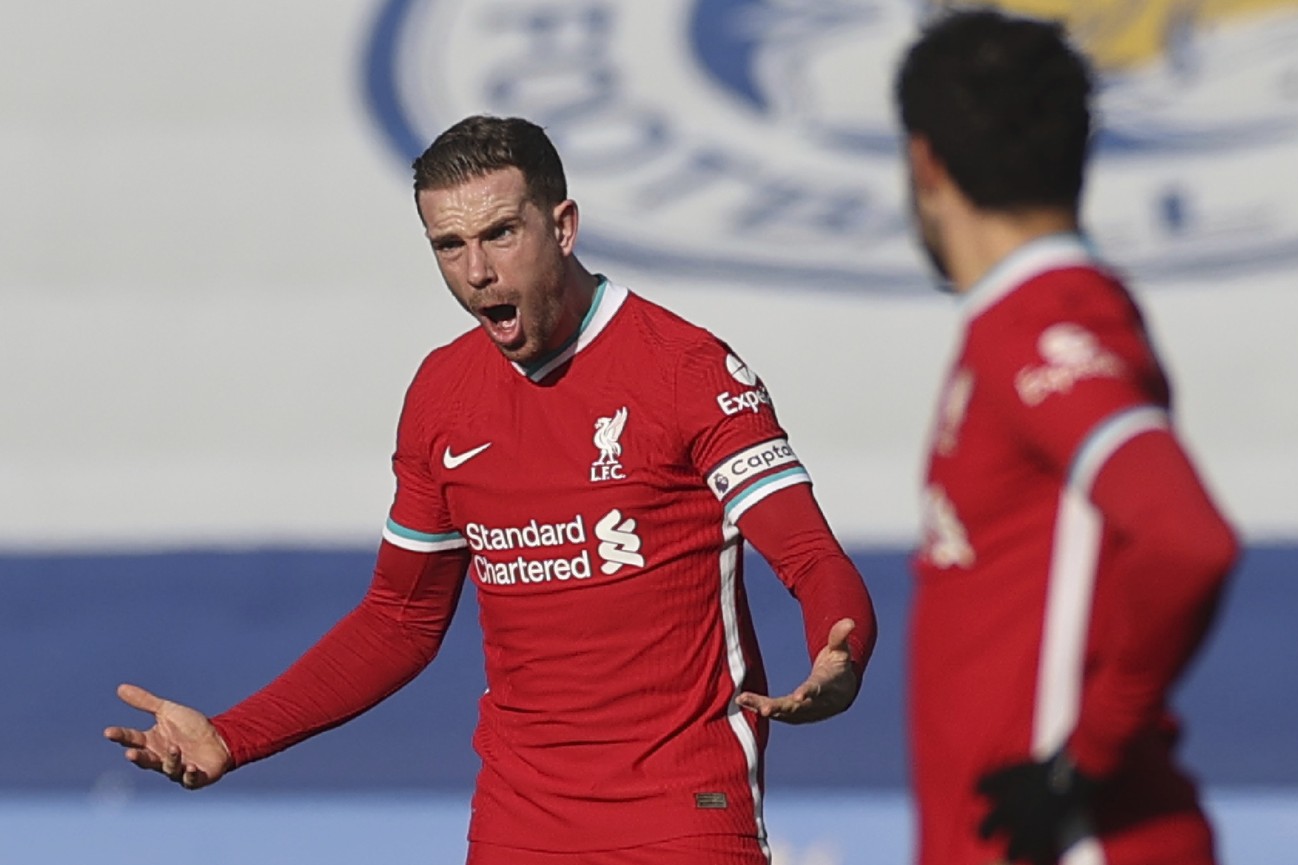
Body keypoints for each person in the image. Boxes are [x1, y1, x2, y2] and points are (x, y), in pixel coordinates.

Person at [104, 115, 877, 865]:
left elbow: (810, 556)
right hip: (519, 825)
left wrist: (839, 653)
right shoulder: (444, 394)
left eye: (501, 233)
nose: (477, 271)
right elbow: (398, 619)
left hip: (683, 815)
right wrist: (235, 735)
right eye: (449, 245)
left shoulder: (686, 370)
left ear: (563, 225)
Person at [898, 10, 1240, 865]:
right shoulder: (1032, 322)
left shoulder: (1042, 330)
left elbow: (1188, 538)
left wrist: (1083, 762)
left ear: (924, 161)